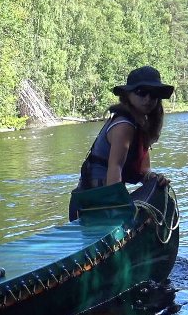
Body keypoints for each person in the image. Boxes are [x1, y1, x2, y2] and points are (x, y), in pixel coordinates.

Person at [69, 65, 173, 221]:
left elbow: (144, 170)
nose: (148, 99)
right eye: (141, 92)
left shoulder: (140, 124)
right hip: (93, 204)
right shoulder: (124, 125)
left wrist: (154, 178)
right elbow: (115, 169)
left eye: (154, 94)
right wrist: (117, 211)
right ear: (128, 95)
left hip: (105, 199)